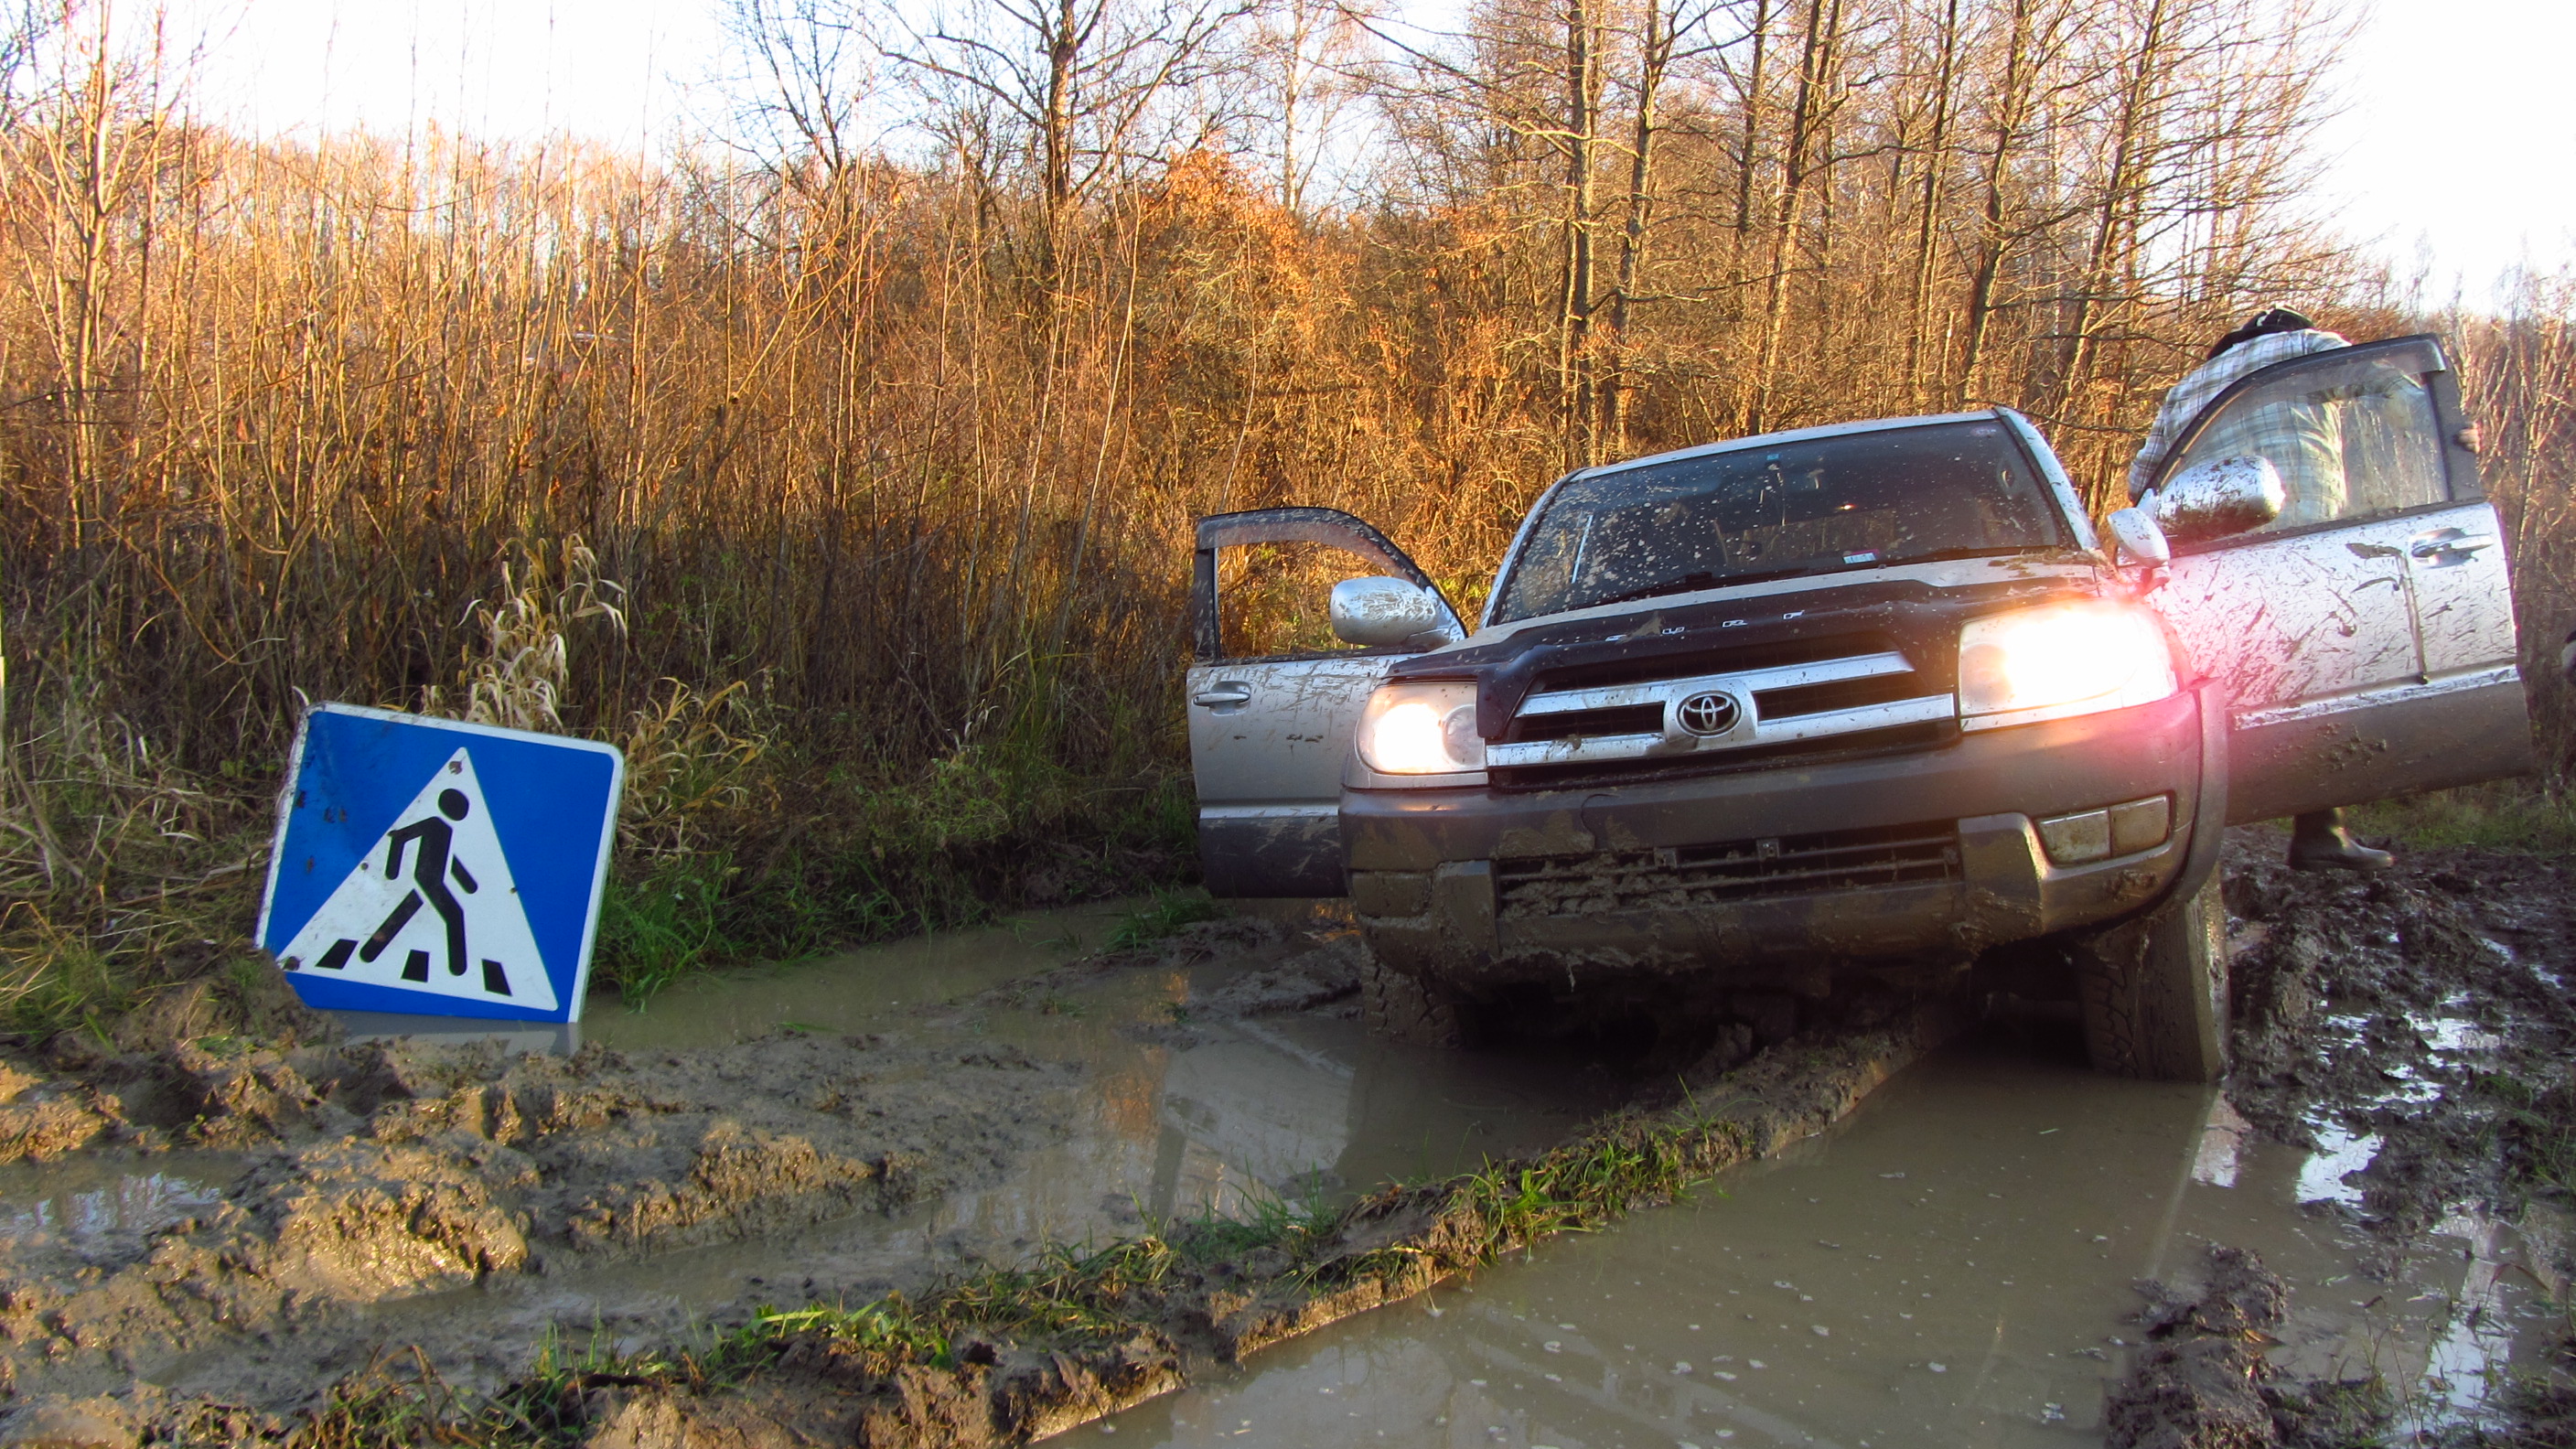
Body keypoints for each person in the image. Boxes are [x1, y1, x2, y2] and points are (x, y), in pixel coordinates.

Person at [2129, 306, 2393, 874]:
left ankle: (2187, 838)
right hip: (2306, 540)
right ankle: (2322, 831)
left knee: (2223, 682)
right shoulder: (2305, 347)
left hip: (2217, 555)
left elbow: (2141, 480)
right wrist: (2448, 428)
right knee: (2322, 673)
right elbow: (2391, 385)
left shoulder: (2189, 388)